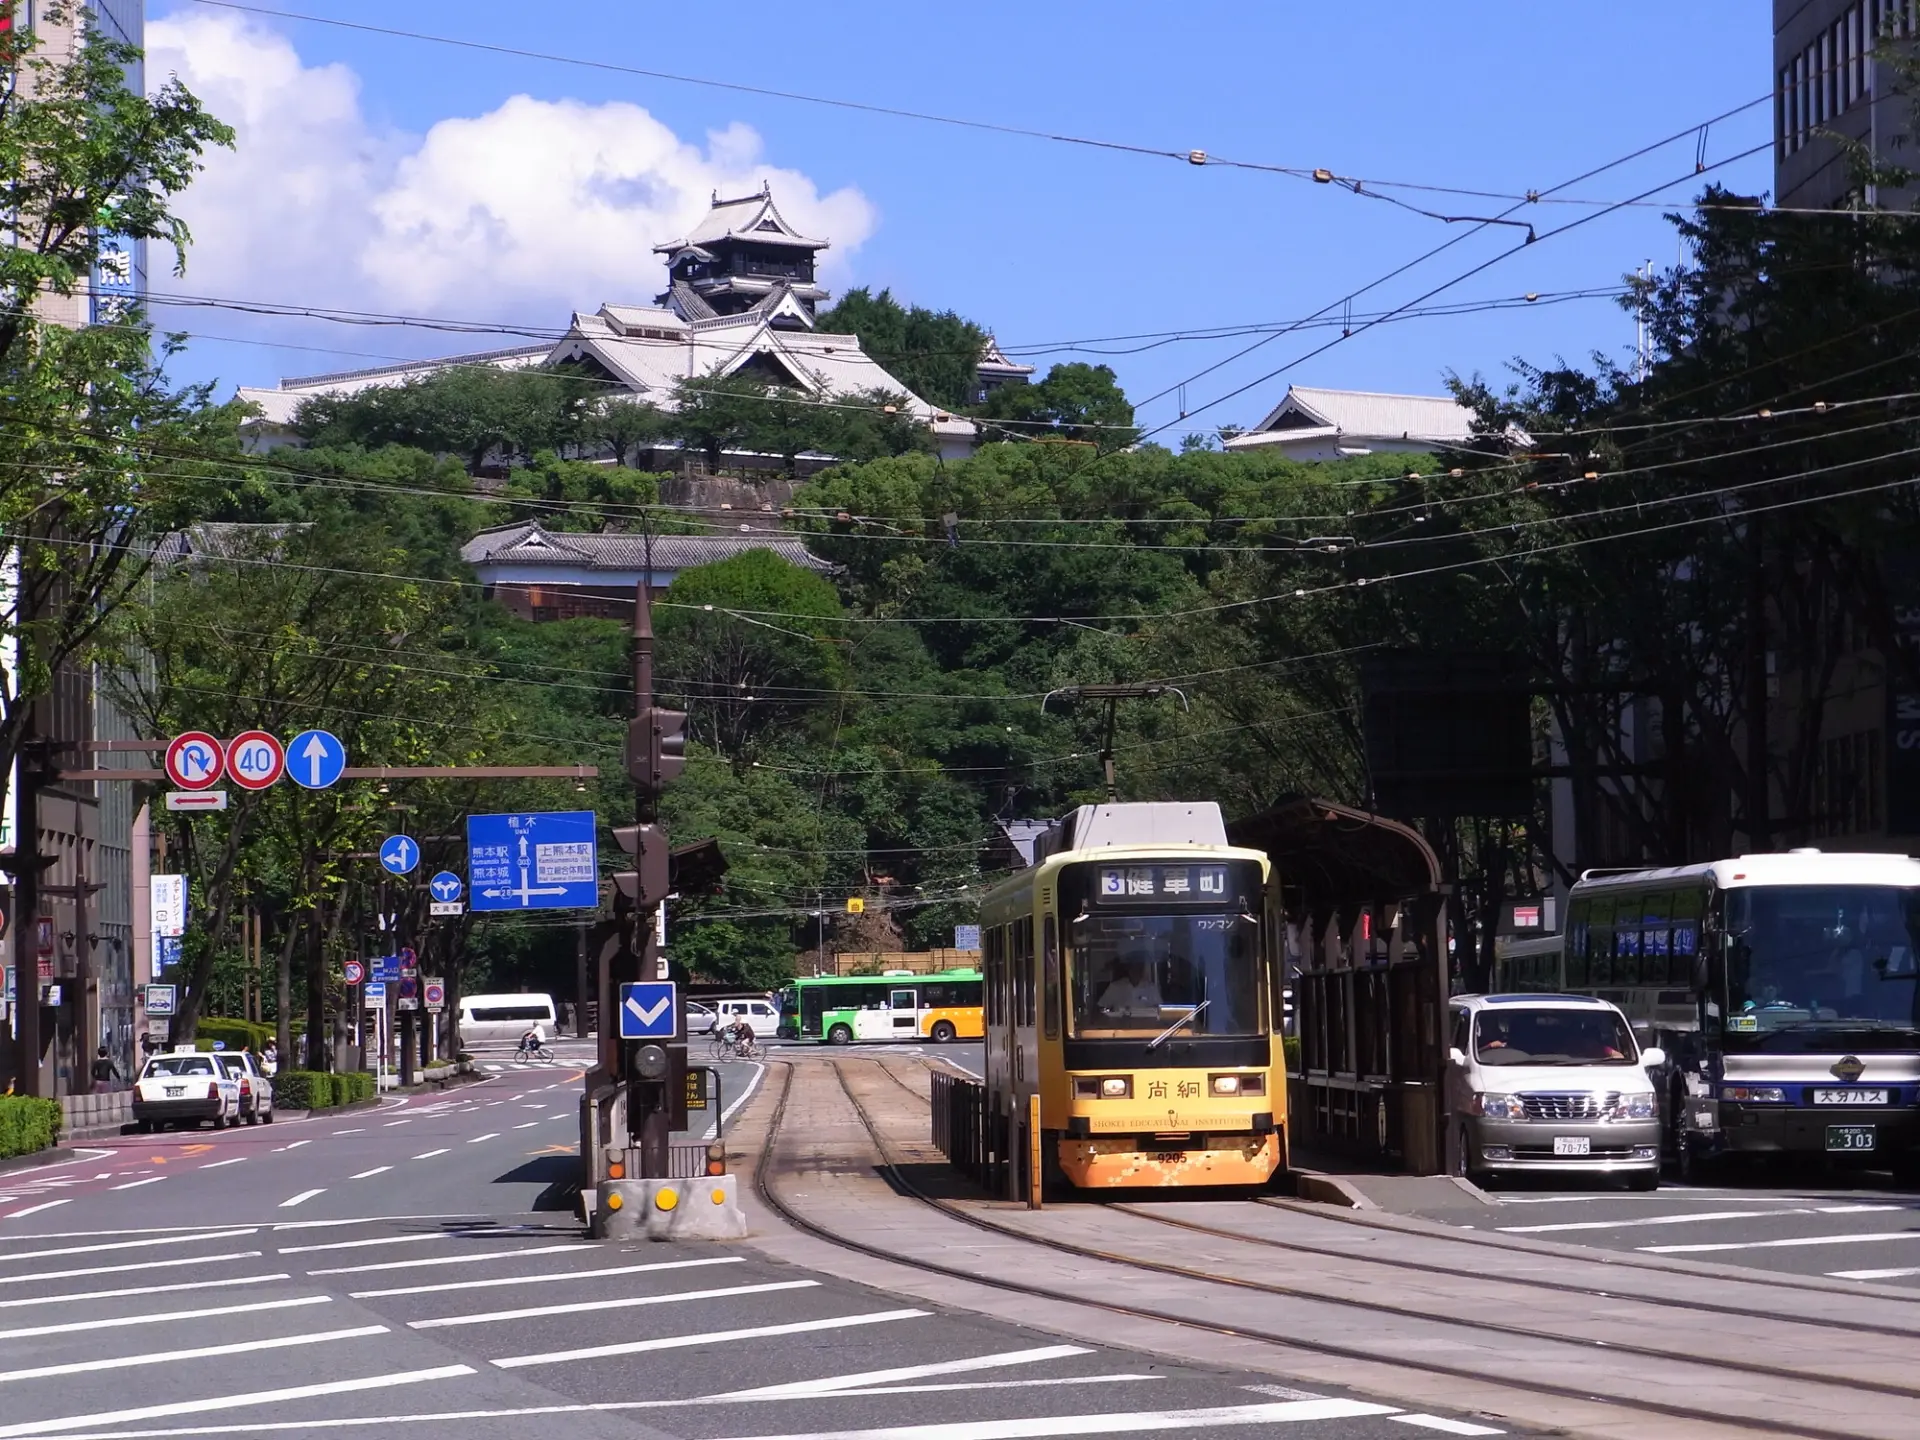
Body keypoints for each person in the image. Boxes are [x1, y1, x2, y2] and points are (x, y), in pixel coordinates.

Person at [1096, 953, 1161, 1018]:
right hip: (1119, 1026)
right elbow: (1101, 1007)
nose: (1136, 970)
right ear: (1129, 969)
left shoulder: (1151, 988)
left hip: (1146, 1026)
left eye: (1139, 967)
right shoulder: (1115, 987)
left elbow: (1160, 1011)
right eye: (1133, 966)